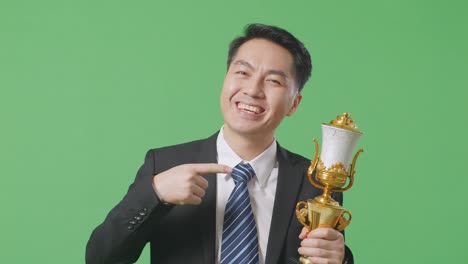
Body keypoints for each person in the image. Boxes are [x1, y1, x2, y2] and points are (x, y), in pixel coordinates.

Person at [86, 23, 354, 264]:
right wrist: (154, 193)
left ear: (294, 104)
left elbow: (324, 255)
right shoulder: (165, 165)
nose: (252, 90)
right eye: (242, 72)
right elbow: (101, 258)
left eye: (273, 81)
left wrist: (339, 259)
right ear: (226, 79)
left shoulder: (313, 181)